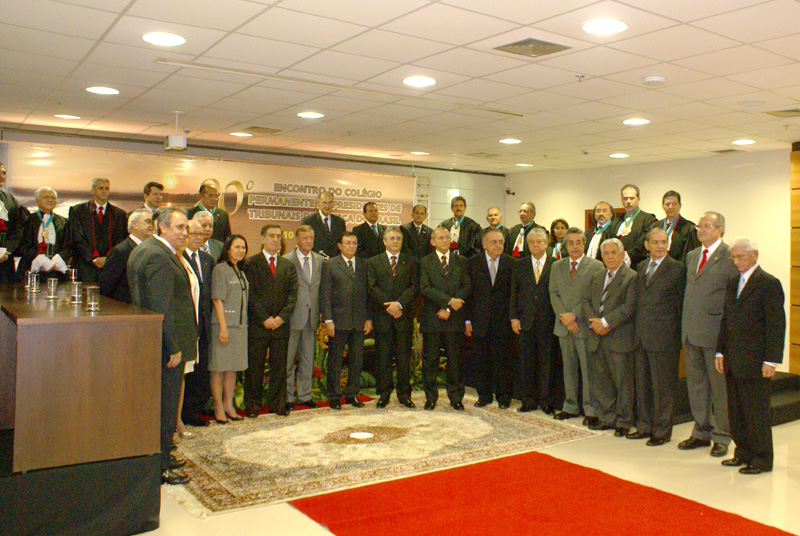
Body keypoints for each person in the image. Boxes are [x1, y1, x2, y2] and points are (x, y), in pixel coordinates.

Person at [127, 207, 197, 486]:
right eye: (179, 227)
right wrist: (173, 346)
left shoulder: (147, 250)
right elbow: (161, 306)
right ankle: (161, 466)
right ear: (162, 227)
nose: (184, 233)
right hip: (166, 347)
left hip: (155, 342)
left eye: (186, 228)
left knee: (160, 405)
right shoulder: (158, 255)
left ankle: (162, 456)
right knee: (166, 407)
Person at [716, 237, 785, 475]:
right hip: (733, 359)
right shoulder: (733, 283)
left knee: (756, 412)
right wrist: (720, 350)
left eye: (741, 257)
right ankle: (742, 452)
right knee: (737, 411)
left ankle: (762, 458)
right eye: (733, 257)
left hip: (755, 361)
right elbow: (726, 320)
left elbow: (776, 324)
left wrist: (771, 360)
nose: (736, 261)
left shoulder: (768, 283)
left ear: (754, 255)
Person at [679, 211, 738, 458]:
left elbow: (733, 298)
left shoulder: (729, 256)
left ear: (720, 229)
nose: (701, 230)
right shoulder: (692, 255)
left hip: (715, 335)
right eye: (699, 226)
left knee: (719, 389)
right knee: (696, 386)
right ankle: (701, 431)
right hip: (691, 333)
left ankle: (722, 435)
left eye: (707, 226)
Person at [630, 228, 686, 446]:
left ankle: (662, 431)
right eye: (655, 242)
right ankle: (644, 426)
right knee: (643, 385)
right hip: (641, 337)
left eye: (664, 242)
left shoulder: (678, 268)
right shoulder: (641, 267)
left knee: (663, 388)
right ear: (647, 245)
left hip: (665, 339)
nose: (660, 246)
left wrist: (677, 337)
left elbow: (680, 306)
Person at [582, 238, 637, 437]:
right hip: (597, 336)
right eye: (606, 253)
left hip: (618, 337)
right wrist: (594, 322)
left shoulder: (631, 277)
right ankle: (606, 418)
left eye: (614, 252)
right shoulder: (597, 276)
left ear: (622, 255)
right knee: (601, 381)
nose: (610, 257)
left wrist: (605, 323)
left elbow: (629, 307)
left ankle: (624, 421)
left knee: (622, 382)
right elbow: (586, 301)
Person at [549, 227, 604, 423]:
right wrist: (564, 317)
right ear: (565, 245)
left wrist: (574, 315)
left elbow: (595, 297)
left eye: (578, 242)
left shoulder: (596, 266)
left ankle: (591, 410)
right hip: (564, 326)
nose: (574, 246)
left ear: (584, 244)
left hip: (584, 326)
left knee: (588, 370)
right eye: (570, 243)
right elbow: (553, 293)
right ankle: (570, 406)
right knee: (568, 368)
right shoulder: (557, 266)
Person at [243, 224, 297, 418]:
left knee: (279, 367)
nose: (275, 239)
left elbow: (293, 295)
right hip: (259, 325)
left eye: (278, 236)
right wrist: (265, 318)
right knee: (254, 367)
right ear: (262, 239)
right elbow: (250, 295)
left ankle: (278, 404)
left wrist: (281, 318)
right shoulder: (250, 263)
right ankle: (253, 405)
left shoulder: (288, 265)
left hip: (281, 326)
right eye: (271, 236)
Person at [419, 227, 471, 410]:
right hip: (432, 318)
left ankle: (456, 398)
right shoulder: (424, 262)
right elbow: (425, 288)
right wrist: (448, 301)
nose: (444, 240)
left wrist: (449, 308)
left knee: (455, 360)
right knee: (430, 360)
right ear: (433, 241)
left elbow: (466, 287)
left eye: (447, 237)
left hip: (454, 318)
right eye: (440, 238)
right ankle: (430, 398)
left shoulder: (461, 261)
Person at [367, 226, 418, 408]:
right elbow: (372, 287)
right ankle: (384, 394)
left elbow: (414, 286)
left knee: (404, 358)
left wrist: (399, 304)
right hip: (383, 317)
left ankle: (404, 395)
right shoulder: (373, 262)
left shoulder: (411, 261)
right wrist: (390, 306)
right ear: (384, 241)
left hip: (403, 317)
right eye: (392, 238)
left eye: (398, 238)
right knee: (383, 358)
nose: (395, 241)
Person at [321, 232, 372, 409]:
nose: (351, 246)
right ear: (340, 246)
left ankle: (352, 394)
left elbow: (368, 294)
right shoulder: (330, 264)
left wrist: (368, 318)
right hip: (337, 320)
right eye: (347, 243)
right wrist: (328, 319)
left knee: (356, 360)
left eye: (354, 243)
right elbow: (325, 294)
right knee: (335, 360)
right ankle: (334, 396)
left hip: (359, 320)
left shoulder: (364, 264)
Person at [466, 228, 514, 409]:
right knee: (482, 361)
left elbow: (514, 294)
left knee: (503, 362)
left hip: (503, 322)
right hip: (480, 321)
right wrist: (467, 320)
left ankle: (504, 397)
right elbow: (468, 293)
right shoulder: (472, 263)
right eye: (493, 242)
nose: (498, 245)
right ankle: (484, 396)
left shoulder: (512, 263)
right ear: (484, 244)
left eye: (501, 242)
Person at [511, 228, 557, 414]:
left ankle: (546, 401)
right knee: (526, 363)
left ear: (546, 244)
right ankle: (528, 401)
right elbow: (514, 293)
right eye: (532, 242)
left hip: (549, 322)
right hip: (525, 322)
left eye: (539, 241)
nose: (535, 245)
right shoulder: (519, 265)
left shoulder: (556, 264)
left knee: (547, 364)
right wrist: (513, 317)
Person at [210, 235, 250, 424]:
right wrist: (223, 328)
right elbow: (217, 300)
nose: (241, 250)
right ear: (227, 249)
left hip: (239, 327)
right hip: (224, 326)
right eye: (237, 247)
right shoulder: (220, 269)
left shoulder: (239, 271)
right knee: (219, 368)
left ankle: (228, 404)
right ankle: (218, 406)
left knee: (232, 368)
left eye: (243, 247)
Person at [283, 225, 323, 410]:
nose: (308, 241)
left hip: (312, 317)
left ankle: (305, 396)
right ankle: (288, 397)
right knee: (288, 359)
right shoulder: (287, 260)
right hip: (292, 317)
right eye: (305, 238)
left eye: (311, 238)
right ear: (297, 239)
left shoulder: (320, 260)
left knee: (307, 359)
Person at [180, 219, 215, 428]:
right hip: (187, 323)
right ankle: (184, 414)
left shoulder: (207, 259)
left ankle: (197, 408)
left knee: (202, 371)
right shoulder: (178, 258)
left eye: (201, 234)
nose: (198, 238)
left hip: (204, 325)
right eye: (194, 234)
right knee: (188, 371)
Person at [66, 177, 127, 282]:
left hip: (109, 266)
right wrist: (93, 258)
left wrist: (107, 258)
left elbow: (121, 239)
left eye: (106, 188)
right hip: (85, 266)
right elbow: (76, 237)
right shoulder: (77, 211)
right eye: (100, 188)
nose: (104, 191)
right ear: (92, 191)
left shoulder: (119, 214)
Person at [100, 208, 153, 303]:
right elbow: (106, 286)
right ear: (134, 224)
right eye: (148, 221)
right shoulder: (121, 251)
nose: (152, 226)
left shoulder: (152, 249)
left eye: (153, 222)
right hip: (125, 306)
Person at [17, 186, 69, 280]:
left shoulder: (64, 222)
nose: (50, 200)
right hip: (31, 268)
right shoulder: (27, 221)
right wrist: (40, 260)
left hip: (56, 269)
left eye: (53, 198)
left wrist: (56, 261)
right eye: (45, 197)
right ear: (37, 201)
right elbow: (22, 245)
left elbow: (69, 245)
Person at [605, 184, 656, 268]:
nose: (628, 201)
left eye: (632, 198)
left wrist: (625, 255)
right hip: (614, 265)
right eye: (625, 198)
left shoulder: (648, 219)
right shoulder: (615, 221)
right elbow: (608, 240)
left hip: (637, 266)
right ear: (622, 200)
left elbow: (643, 244)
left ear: (638, 200)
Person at [0, 162, 26, 284]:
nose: (1, 176)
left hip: (5, 259)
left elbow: (18, 229)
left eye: (3, 173)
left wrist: (5, 250)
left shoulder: (11, 200)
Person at [300, 190, 346, 259]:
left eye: (330, 202)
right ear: (318, 203)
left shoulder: (340, 222)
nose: (327, 206)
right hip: (315, 261)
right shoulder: (308, 221)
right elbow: (304, 244)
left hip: (334, 262)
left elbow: (342, 244)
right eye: (324, 202)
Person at [657, 190, 699, 263]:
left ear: (680, 206)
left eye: (674, 204)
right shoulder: (655, 226)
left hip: (679, 267)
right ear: (663, 206)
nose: (670, 207)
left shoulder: (689, 228)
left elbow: (691, 257)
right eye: (667, 204)